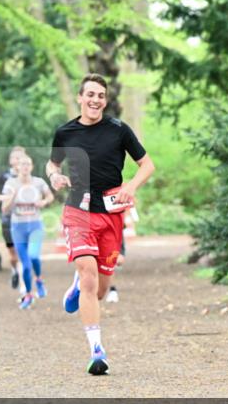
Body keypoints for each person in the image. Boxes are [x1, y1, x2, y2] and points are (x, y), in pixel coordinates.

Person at [46, 73, 155, 375]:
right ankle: (97, 350)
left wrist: (131, 187)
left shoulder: (119, 130)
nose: (95, 100)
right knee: (89, 277)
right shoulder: (65, 132)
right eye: (90, 94)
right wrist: (54, 176)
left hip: (110, 213)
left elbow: (147, 165)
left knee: (101, 288)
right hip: (77, 210)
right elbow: (52, 164)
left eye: (101, 96)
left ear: (105, 101)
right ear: (80, 98)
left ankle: (76, 287)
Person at [1, 154, 53, 309]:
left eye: (27, 164)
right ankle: (28, 294)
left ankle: (39, 280)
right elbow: (4, 209)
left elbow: (50, 196)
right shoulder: (10, 184)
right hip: (18, 228)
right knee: (25, 264)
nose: (24, 167)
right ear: (17, 167)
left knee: (33, 256)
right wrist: (13, 196)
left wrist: (43, 201)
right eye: (22, 164)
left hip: (35, 226)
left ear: (31, 167)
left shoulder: (39, 182)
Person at [0, 146, 26, 291]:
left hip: (25, 219)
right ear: (10, 160)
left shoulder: (29, 178)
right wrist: (6, 197)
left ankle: (24, 284)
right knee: (13, 253)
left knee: (23, 250)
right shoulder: (2, 177)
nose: (18, 160)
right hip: (7, 219)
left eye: (21, 157)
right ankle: (15, 271)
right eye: (15, 157)